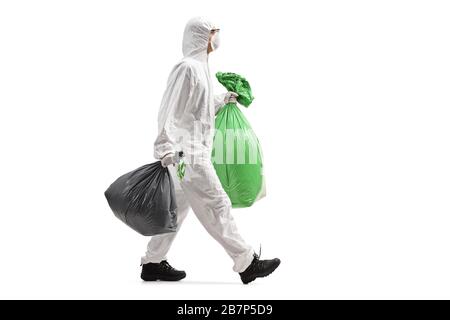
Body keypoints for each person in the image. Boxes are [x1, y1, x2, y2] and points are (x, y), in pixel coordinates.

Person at [141, 17, 280, 284]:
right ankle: (246, 262)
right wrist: (163, 147)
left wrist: (221, 100)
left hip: (189, 152)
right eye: (213, 32)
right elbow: (168, 108)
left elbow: (196, 112)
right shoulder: (187, 68)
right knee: (218, 204)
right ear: (201, 36)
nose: (217, 37)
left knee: (176, 209)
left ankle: (152, 262)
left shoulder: (200, 68)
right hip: (187, 154)